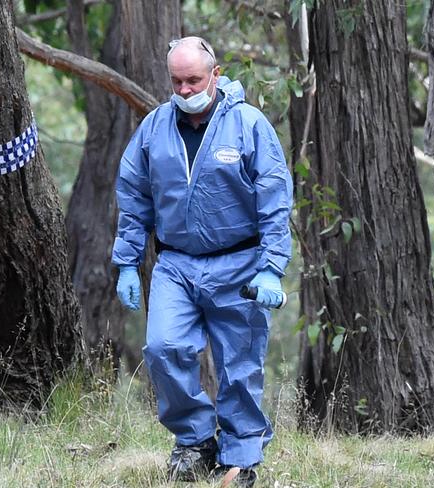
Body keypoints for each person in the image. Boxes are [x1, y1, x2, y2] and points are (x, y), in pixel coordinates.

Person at [111, 36, 293, 486]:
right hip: (176, 264)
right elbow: (134, 197)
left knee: (239, 366)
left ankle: (242, 458)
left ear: (215, 74)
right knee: (163, 348)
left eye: (194, 80)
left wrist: (271, 267)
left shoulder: (248, 125)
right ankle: (194, 441)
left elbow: (274, 199)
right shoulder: (155, 128)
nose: (186, 90)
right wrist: (129, 263)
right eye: (177, 81)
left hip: (239, 264)